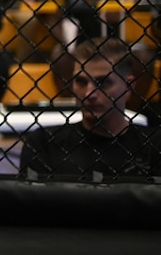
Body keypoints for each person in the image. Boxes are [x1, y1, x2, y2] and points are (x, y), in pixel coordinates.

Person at [17, 38, 161, 181]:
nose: (89, 94)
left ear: (129, 86)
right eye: (81, 81)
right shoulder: (44, 143)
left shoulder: (154, 146)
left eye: (103, 82)